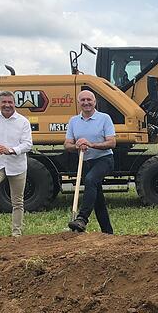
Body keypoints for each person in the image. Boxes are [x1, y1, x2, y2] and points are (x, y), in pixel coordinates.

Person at [0, 91, 33, 237]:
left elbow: (27, 144)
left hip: (17, 165)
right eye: (4, 102)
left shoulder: (23, 121)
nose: (7, 105)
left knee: (17, 200)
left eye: (10, 102)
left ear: (14, 103)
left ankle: (16, 232)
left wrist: (10, 150)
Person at [65, 90, 116, 233]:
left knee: (90, 180)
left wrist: (91, 144)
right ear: (79, 102)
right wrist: (76, 146)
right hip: (86, 162)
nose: (86, 102)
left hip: (104, 159)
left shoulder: (104, 118)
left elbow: (112, 143)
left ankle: (82, 218)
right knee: (97, 199)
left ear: (95, 102)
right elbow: (67, 144)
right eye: (83, 100)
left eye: (89, 99)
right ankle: (108, 232)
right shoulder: (73, 121)